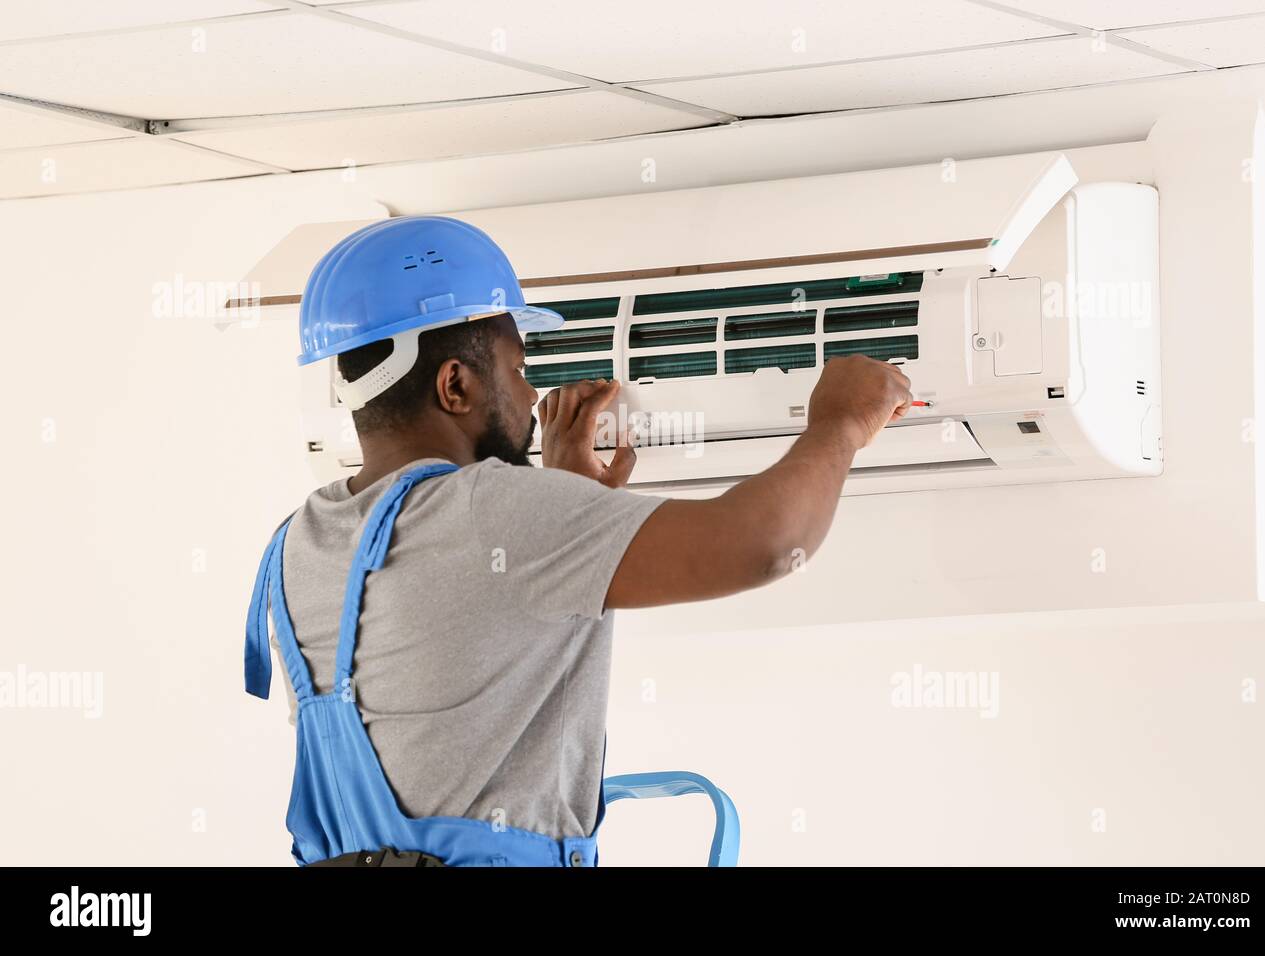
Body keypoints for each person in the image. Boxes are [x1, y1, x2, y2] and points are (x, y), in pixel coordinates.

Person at [243, 216, 912, 867]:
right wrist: (840, 422)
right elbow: (770, 542)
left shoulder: (299, 543)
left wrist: (564, 495)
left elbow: (454, 646)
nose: (532, 393)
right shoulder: (498, 514)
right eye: (516, 367)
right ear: (456, 385)